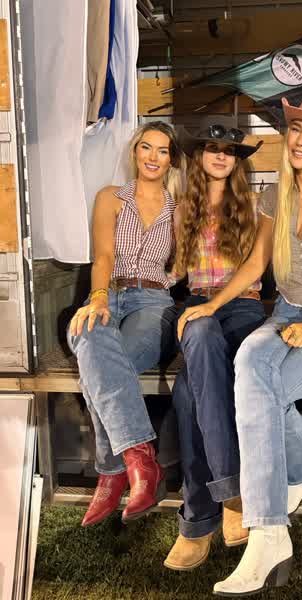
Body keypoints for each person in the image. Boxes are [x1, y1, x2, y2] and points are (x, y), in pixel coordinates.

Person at [177, 92, 302, 596]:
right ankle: (294, 483)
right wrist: (213, 305)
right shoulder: (272, 196)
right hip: (284, 312)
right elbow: (256, 265)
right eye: (296, 130)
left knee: (265, 391)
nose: (301, 140)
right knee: (248, 364)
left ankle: (268, 530)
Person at [67, 121, 185, 527]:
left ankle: (110, 470)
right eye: (146, 147)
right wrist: (98, 297)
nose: (153, 157)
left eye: (163, 150)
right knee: (88, 335)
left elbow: (186, 259)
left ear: (171, 159)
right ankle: (140, 461)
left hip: (153, 300)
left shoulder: (179, 207)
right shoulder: (110, 197)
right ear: (135, 152)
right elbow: (103, 255)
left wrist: (169, 280)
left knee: (103, 367)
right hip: (109, 291)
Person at [163, 122, 267, 571]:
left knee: (189, 393)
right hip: (198, 303)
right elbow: (172, 270)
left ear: (238, 160)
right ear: (200, 156)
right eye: (212, 147)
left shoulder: (256, 206)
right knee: (200, 333)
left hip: (242, 305)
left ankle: (196, 522)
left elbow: (277, 256)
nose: (221, 155)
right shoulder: (183, 208)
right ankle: (232, 493)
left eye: (230, 150)